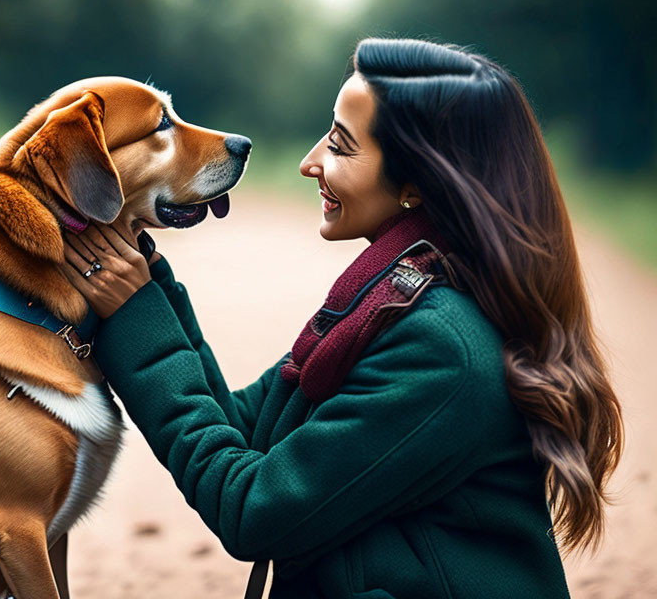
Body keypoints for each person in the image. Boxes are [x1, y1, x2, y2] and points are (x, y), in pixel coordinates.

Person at [58, 37, 624, 598]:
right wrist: (149, 282)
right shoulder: (391, 299)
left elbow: (251, 508)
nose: (310, 163)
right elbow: (245, 429)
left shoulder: (440, 347)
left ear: (415, 184)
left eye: (340, 146)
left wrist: (134, 317)